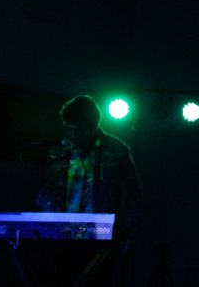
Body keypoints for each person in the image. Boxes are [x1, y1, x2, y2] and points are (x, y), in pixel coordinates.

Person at [37, 95, 143, 286]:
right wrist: (51, 216)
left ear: (94, 127)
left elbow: (136, 196)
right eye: (69, 129)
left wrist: (126, 231)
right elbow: (46, 190)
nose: (73, 136)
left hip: (100, 237)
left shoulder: (117, 150)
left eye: (79, 131)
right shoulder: (58, 152)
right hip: (64, 234)